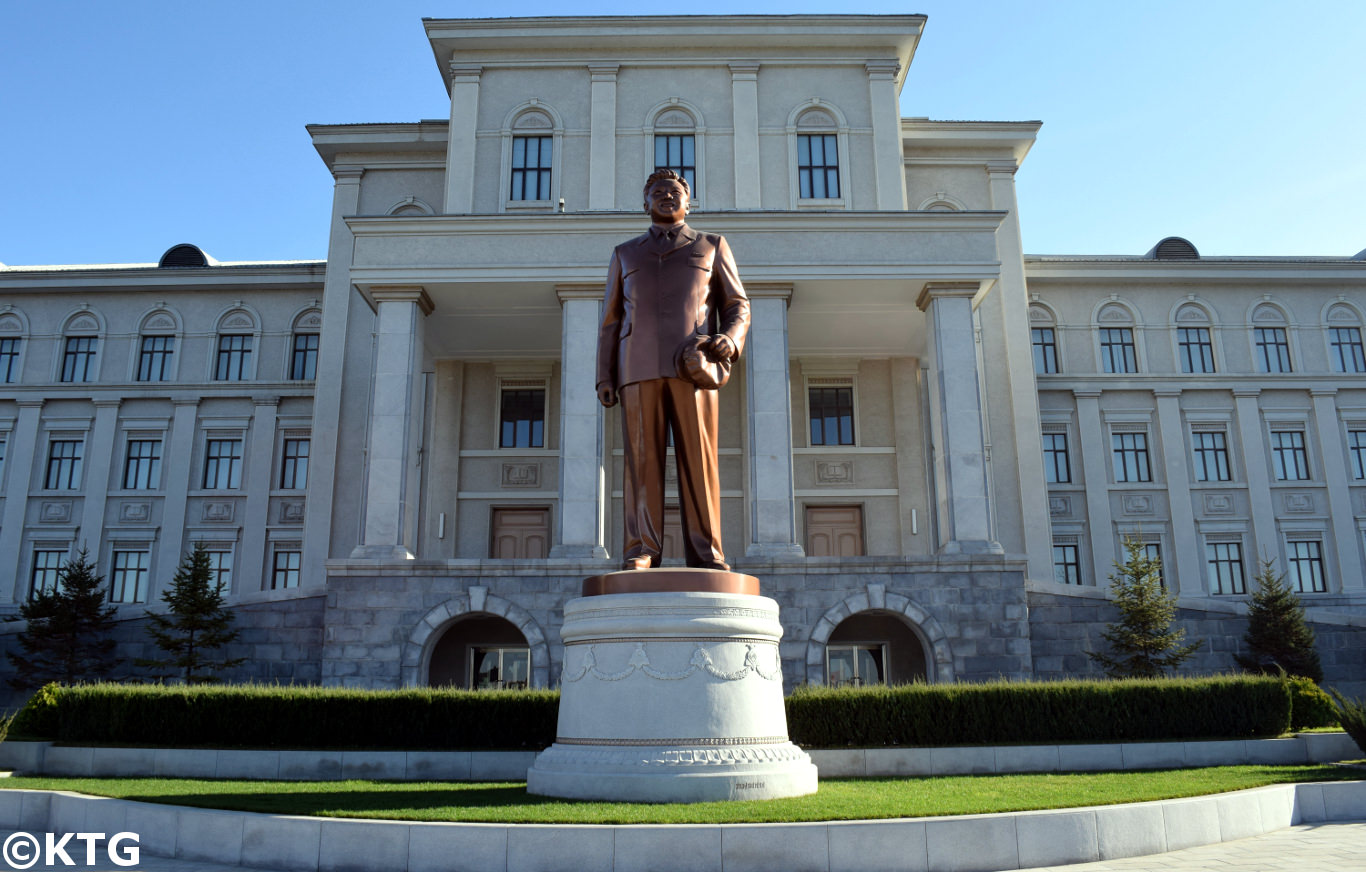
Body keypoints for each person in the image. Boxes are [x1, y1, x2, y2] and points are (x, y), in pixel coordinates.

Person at [596, 169, 750, 571]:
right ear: (645, 203)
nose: (667, 197)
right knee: (641, 464)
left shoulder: (711, 245)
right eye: (657, 192)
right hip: (636, 367)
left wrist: (730, 340)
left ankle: (707, 553)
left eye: (675, 191)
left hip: (693, 367)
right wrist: (605, 375)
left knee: (700, 462)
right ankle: (641, 550)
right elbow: (611, 320)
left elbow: (738, 305)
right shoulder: (625, 253)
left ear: (689, 202)